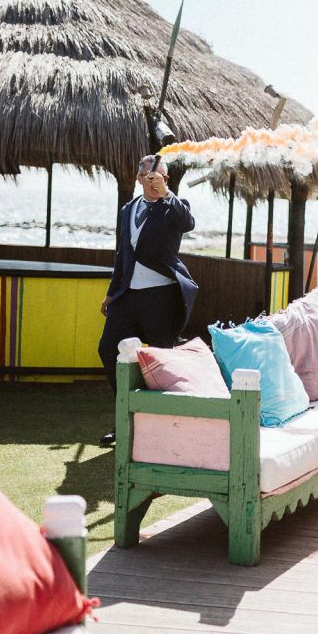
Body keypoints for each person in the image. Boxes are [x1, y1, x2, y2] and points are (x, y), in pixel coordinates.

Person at [96, 154, 198, 445]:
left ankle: (162, 427)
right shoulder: (128, 209)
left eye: (162, 178)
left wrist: (168, 194)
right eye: (151, 178)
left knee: (162, 359)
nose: (156, 183)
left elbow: (187, 223)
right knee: (107, 349)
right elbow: (122, 254)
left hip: (161, 297)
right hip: (127, 296)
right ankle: (124, 419)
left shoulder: (174, 207)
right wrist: (112, 292)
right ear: (140, 178)